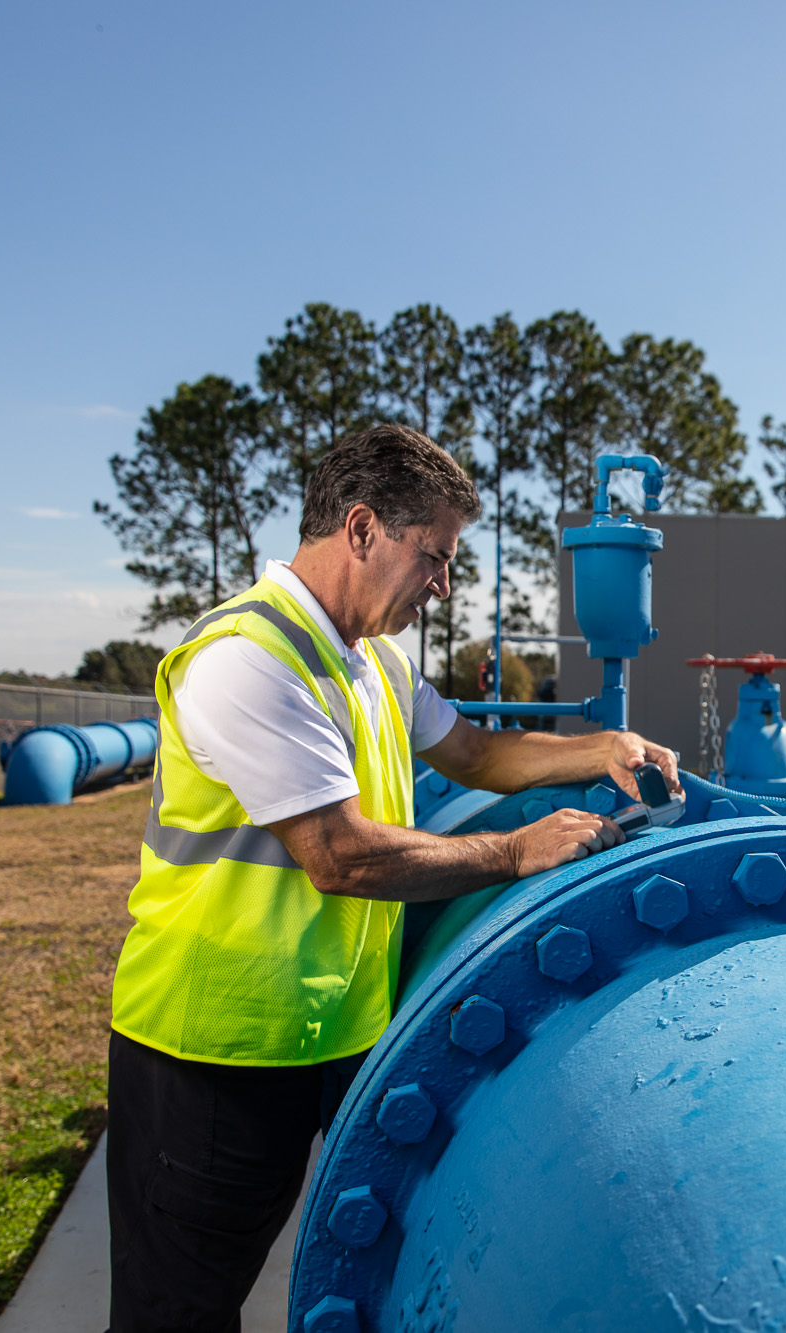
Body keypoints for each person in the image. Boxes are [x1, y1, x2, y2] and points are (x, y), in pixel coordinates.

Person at [104, 424, 679, 1332]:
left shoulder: (372, 657)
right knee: (176, 1308)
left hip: (322, 1036)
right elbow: (338, 853)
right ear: (364, 528)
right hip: (213, 1052)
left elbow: (477, 751)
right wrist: (515, 851)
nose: (445, 584)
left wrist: (598, 748)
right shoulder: (248, 658)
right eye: (437, 556)